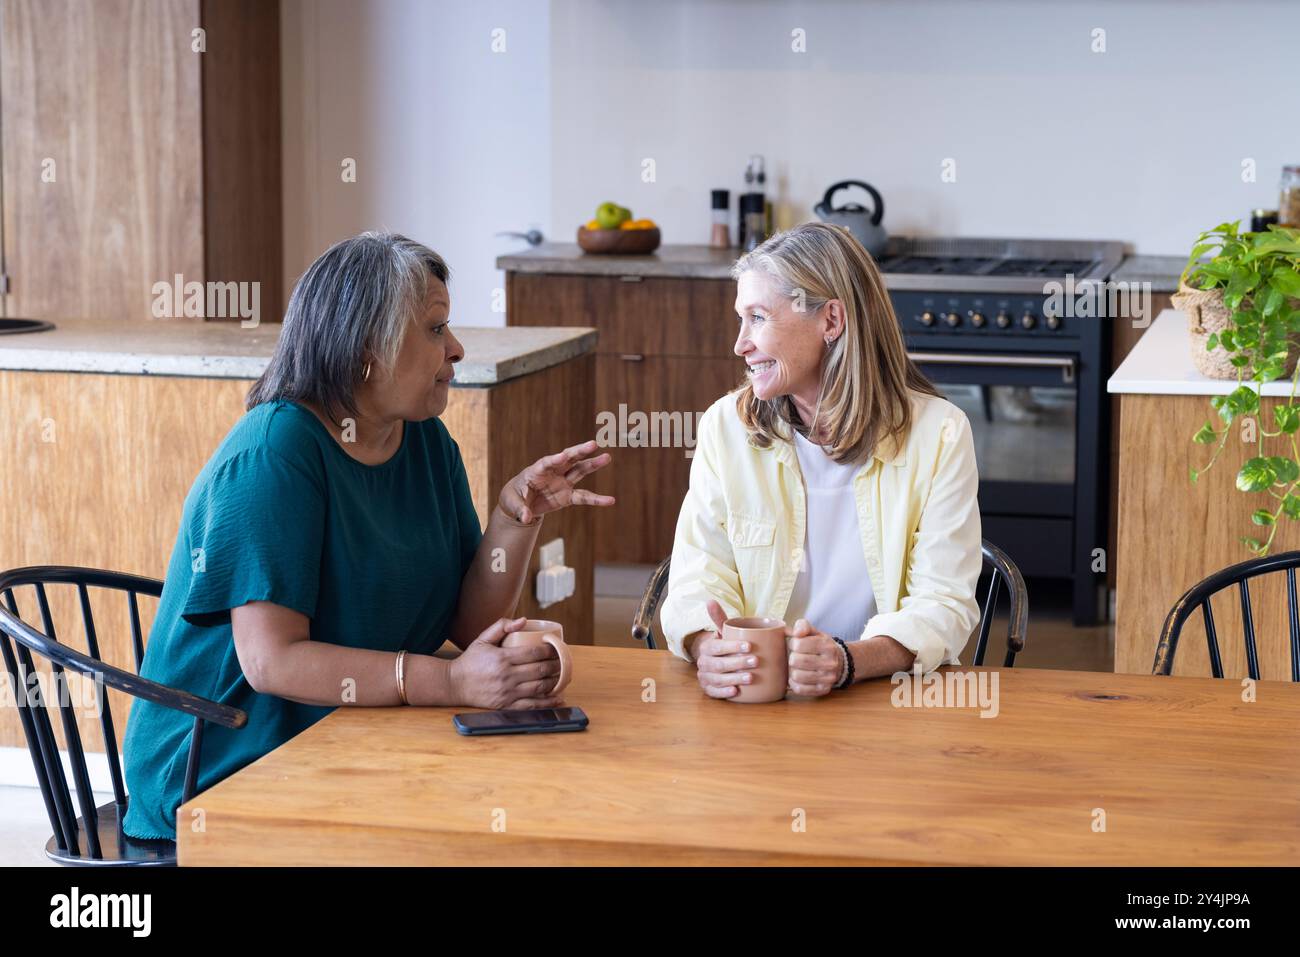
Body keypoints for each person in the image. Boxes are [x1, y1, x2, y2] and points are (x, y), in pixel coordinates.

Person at [122, 232, 613, 839]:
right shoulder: (276, 453)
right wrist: (450, 682)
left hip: (348, 728)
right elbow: (271, 662)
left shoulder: (427, 442)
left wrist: (515, 519)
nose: (456, 348)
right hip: (227, 756)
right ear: (365, 350)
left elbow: (466, 623)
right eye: (436, 329)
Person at [660, 222, 981, 698]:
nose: (740, 343)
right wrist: (708, 647)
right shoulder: (724, 427)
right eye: (740, 319)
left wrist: (847, 661)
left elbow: (944, 602)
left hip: (882, 697)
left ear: (831, 321)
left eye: (758, 318)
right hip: (755, 698)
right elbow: (696, 577)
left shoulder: (940, 433)